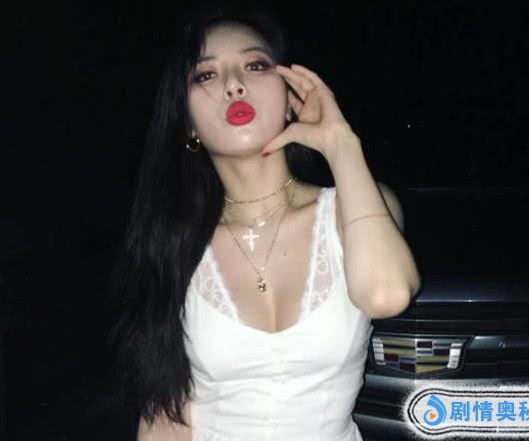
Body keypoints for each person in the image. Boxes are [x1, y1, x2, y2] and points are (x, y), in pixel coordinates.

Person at [107, 4, 421, 441]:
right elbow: (166, 417)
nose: (233, 84)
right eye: (206, 75)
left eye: (255, 65)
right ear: (187, 124)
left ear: (291, 96)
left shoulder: (355, 206)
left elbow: (386, 295)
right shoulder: (174, 243)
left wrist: (340, 144)